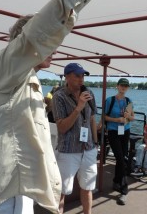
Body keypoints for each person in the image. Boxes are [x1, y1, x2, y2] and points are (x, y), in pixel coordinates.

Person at [0, 0, 117, 213]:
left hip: (21, 190)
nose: (53, 50)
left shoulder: (26, 78)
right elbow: (38, 34)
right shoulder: (4, 67)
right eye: (48, 44)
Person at [52, 63, 98, 214]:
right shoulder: (59, 96)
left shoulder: (89, 92)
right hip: (68, 151)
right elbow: (62, 127)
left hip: (89, 149)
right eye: (77, 75)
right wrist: (78, 107)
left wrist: (96, 143)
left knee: (88, 187)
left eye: (83, 75)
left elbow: (92, 119)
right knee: (62, 190)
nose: (81, 79)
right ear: (67, 76)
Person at [104, 77, 135, 205]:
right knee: (121, 158)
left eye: (126, 86)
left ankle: (116, 181)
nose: (123, 87)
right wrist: (117, 120)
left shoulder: (129, 101)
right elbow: (104, 116)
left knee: (122, 158)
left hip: (125, 131)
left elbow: (133, 118)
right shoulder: (110, 100)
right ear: (117, 86)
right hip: (113, 131)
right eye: (121, 85)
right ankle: (124, 190)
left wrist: (129, 117)